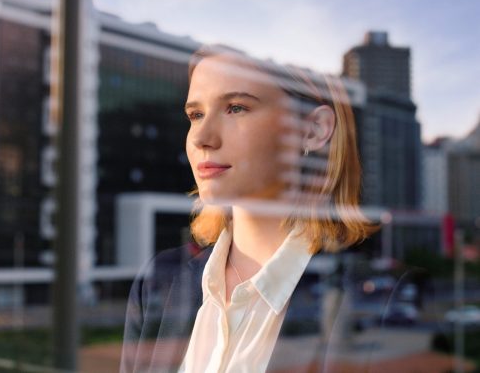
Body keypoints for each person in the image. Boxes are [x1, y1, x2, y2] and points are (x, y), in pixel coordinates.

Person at [121, 45, 379, 373]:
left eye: (236, 108)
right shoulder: (158, 284)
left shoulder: (365, 297)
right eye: (195, 115)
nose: (201, 137)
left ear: (313, 130)